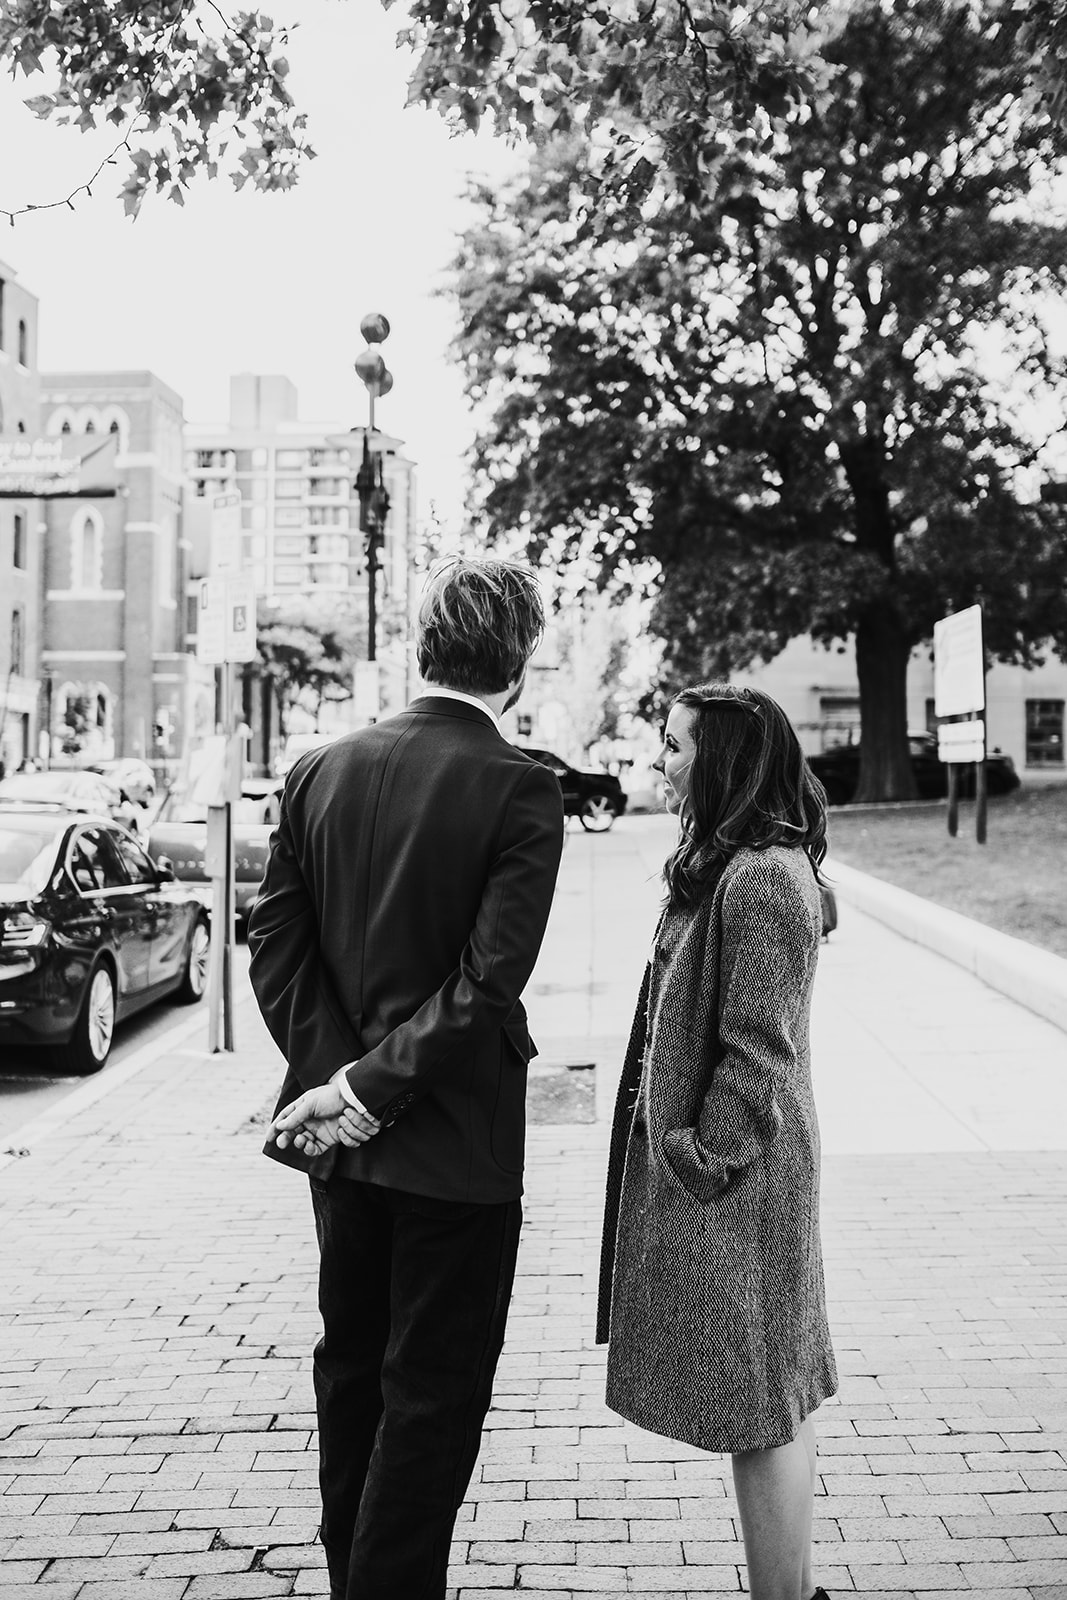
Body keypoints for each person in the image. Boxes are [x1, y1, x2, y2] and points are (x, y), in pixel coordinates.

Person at [248, 557, 565, 1600]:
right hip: (454, 1147)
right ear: (516, 659)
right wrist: (363, 1089)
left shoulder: (316, 768)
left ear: (424, 643)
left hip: (340, 1150)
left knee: (350, 1379)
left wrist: (337, 1085)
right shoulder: (520, 787)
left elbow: (274, 948)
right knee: (429, 1401)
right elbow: (484, 989)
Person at [597, 682, 838, 1600]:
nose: (658, 761)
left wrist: (704, 1154)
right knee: (763, 1393)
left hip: (747, 1178)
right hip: (735, 1173)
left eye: (673, 746)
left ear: (723, 761)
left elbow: (758, 1050)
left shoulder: (765, 878)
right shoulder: (727, 863)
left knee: (762, 1396)